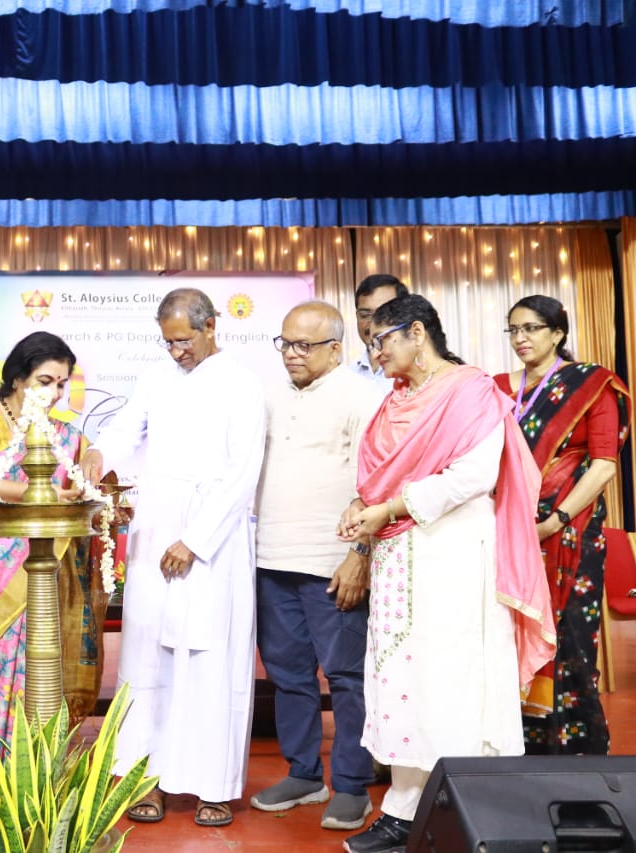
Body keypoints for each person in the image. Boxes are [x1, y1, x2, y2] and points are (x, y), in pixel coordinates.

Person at [336, 294, 554, 853]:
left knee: (450, 677)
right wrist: (362, 506)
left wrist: (389, 507)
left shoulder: (470, 390)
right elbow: (376, 480)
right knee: (402, 678)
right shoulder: (394, 401)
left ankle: (462, 807)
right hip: (397, 553)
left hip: (452, 550)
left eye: (381, 340)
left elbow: (474, 476)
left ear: (416, 332)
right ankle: (404, 809)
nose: (375, 353)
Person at [82, 287, 265, 829]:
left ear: (211, 328)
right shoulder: (155, 377)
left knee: (210, 664)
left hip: (213, 541)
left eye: (184, 340)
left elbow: (242, 473)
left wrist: (196, 541)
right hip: (155, 528)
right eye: (168, 342)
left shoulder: (242, 384)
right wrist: (100, 452)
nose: (177, 351)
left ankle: (214, 787)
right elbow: (125, 429)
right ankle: (148, 780)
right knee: (146, 662)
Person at [0, 331, 106, 741]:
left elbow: (89, 478)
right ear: (17, 378)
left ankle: (34, 758)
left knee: (41, 659)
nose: (55, 393)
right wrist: (42, 494)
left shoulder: (66, 435)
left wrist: (95, 457)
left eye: (62, 384)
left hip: (43, 563)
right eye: (44, 381)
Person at [251, 302, 382, 831]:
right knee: (288, 676)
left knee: (348, 678)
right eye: (285, 343)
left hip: (334, 562)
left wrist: (360, 556)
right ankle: (304, 774)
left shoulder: (363, 396)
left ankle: (352, 785)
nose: (292, 354)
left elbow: (376, 483)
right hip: (272, 557)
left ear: (336, 348)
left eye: (304, 345)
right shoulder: (267, 394)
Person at [493, 295, 631, 755]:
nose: (521, 338)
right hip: (508, 534)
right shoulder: (497, 389)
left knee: (568, 641)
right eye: (513, 329)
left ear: (557, 333)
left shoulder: (590, 384)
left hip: (571, 532)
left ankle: (576, 754)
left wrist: (556, 520)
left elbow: (604, 465)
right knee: (508, 641)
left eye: (531, 328)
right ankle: (518, 750)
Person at [352, 275, 408, 393]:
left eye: (382, 314)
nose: (373, 324)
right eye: (364, 315)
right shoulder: (348, 375)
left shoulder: (418, 374)